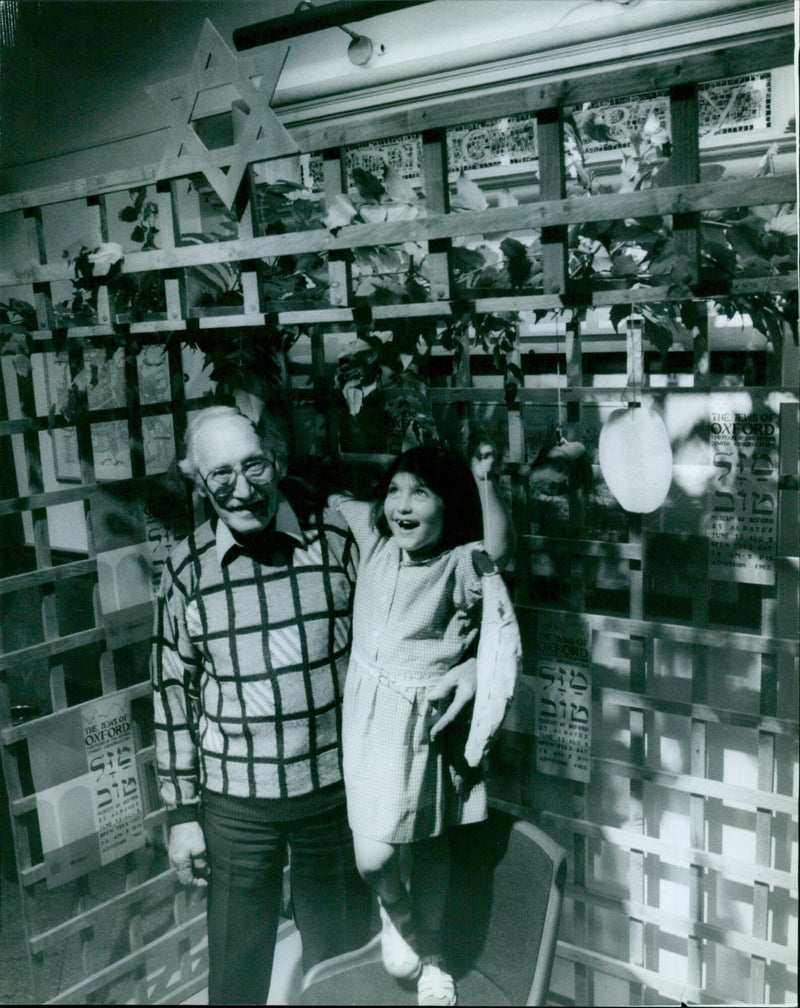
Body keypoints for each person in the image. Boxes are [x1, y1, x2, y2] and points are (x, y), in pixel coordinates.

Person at [150, 406, 478, 1005]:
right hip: (235, 803)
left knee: (343, 965)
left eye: (254, 466)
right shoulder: (185, 569)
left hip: (332, 791)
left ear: (275, 461)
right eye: (221, 475)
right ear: (196, 481)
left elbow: (428, 604)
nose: (243, 488)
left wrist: (473, 663)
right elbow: (172, 691)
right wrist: (180, 814)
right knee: (237, 969)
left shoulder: (337, 539)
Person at [330, 444, 514, 1007]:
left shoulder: (458, 563)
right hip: (367, 718)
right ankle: (398, 914)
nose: (402, 506)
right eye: (395, 491)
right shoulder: (377, 540)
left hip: (424, 724)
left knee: (430, 842)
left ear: (450, 504)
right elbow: (339, 501)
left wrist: (485, 482)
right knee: (375, 857)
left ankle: (431, 953)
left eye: (422, 493)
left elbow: (499, 554)